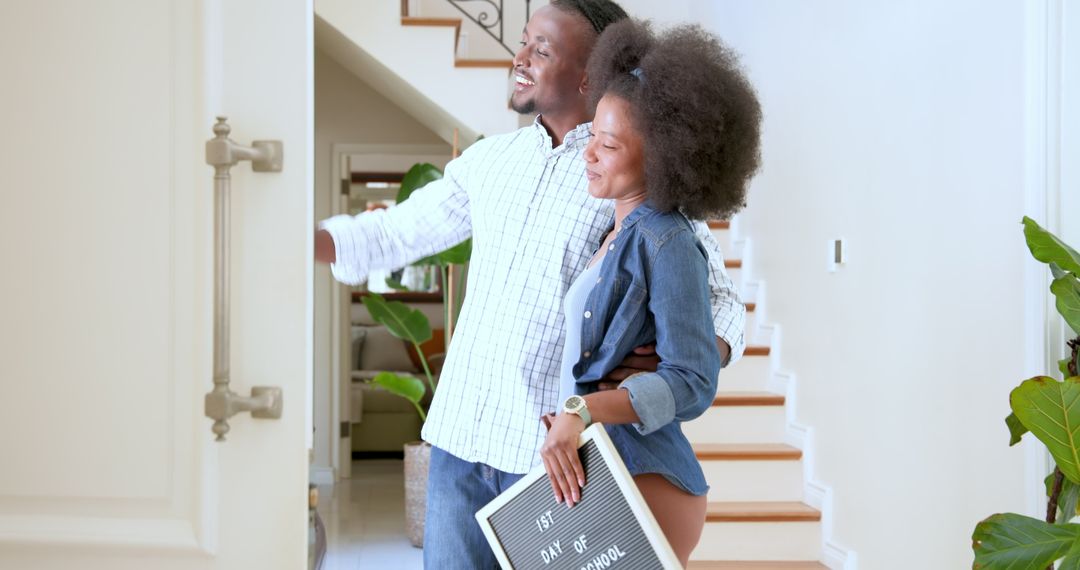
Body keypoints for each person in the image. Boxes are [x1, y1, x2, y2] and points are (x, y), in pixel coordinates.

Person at [313, 1, 746, 567]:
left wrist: (676, 359)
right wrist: (289, 242)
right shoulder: (490, 161)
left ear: (592, 72)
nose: (519, 58)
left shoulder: (625, 169)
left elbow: (720, 302)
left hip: (553, 457)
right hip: (458, 442)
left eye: (542, 50)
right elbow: (394, 234)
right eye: (523, 42)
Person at [538, 19, 762, 567]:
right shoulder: (618, 236)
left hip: (649, 477)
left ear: (663, 157)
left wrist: (583, 408)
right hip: (610, 466)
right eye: (592, 134)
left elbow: (693, 380)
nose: (588, 153)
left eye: (608, 144)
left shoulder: (667, 242)